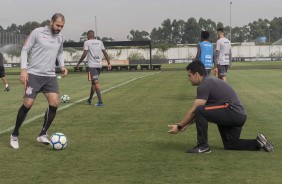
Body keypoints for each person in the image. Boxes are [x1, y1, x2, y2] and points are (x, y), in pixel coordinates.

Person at [168, 60, 274, 154]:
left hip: (232, 112)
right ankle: (258, 142)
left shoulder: (205, 84)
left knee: (199, 109)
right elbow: (206, 112)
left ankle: (203, 146)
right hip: (238, 115)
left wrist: (180, 126)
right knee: (231, 144)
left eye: (189, 76)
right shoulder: (210, 81)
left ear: (196, 74)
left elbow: (196, 111)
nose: (188, 79)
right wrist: (187, 124)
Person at [10, 13, 68, 149]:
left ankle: (43, 133)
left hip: (50, 75)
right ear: (51, 22)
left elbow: (60, 52)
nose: (59, 28)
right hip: (34, 74)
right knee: (28, 103)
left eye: (62, 26)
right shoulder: (37, 32)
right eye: (58, 25)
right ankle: (14, 134)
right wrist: (24, 69)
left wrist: (62, 66)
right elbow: (25, 49)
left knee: (54, 103)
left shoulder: (60, 37)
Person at [76, 30, 111, 106]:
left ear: (88, 36)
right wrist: (109, 63)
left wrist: (78, 63)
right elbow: (105, 52)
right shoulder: (100, 42)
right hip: (99, 65)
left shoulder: (87, 42)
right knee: (93, 83)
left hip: (92, 66)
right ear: (94, 36)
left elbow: (85, 53)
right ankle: (89, 100)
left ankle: (100, 101)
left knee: (96, 82)